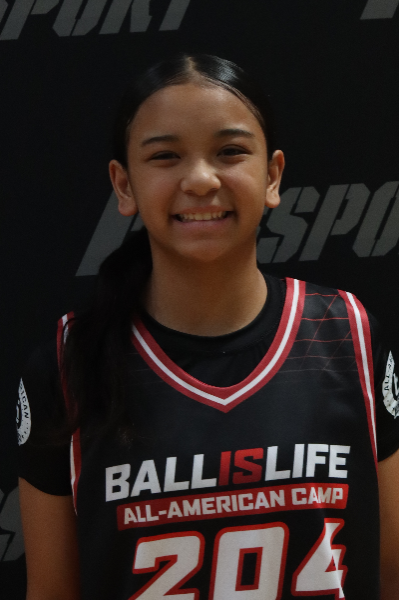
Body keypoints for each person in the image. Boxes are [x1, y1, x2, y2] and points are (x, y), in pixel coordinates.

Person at [18, 54, 399, 600]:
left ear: (272, 176)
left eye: (230, 152)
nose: (200, 179)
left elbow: (392, 572)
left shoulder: (346, 334)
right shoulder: (69, 361)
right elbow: (52, 591)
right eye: (165, 156)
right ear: (124, 186)